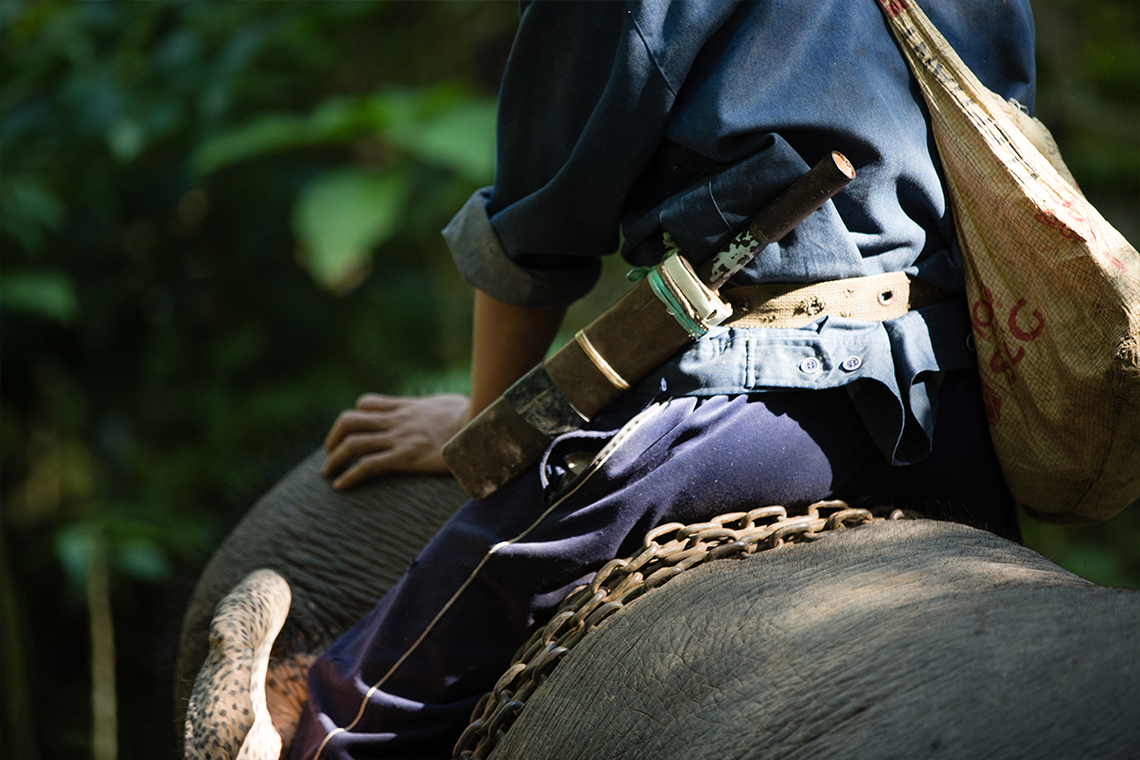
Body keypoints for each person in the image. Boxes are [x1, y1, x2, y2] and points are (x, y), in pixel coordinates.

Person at [290, 1, 1035, 757]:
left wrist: (486, 422)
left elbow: (539, 227)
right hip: (955, 414)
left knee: (361, 704)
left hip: (757, 407)